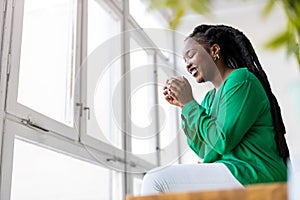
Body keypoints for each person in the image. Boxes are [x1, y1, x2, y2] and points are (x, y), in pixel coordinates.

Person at [141, 24, 289, 195]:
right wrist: (184, 106)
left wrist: (189, 103)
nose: (188, 65)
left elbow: (221, 141)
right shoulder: (209, 99)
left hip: (255, 173)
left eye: (191, 55)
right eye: (185, 61)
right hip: (235, 173)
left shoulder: (241, 80)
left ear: (214, 50)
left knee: (155, 179)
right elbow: (204, 150)